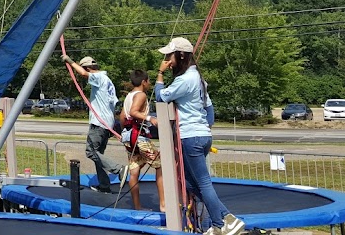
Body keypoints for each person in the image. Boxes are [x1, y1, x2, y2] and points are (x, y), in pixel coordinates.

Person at [155, 37, 245, 235]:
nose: (168, 61)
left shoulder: (185, 79)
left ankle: (221, 224)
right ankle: (226, 217)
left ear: (180, 56)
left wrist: (160, 74)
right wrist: (203, 127)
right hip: (202, 135)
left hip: (191, 137)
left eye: (169, 56)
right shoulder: (199, 79)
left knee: (203, 183)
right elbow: (209, 111)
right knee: (189, 182)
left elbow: (160, 96)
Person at [62, 53, 125, 193]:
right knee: (98, 155)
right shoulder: (108, 81)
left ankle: (119, 169)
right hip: (107, 123)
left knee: (90, 152)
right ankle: (104, 185)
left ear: (89, 68)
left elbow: (84, 74)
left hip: (99, 122)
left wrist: (70, 61)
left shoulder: (99, 77)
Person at [121, 69, 164, 212]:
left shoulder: (129, 96)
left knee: (135, 170)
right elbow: (134, 112)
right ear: (144, 82)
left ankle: (138, 207)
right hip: (139, 137)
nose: (149, 83)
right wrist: (150, 118)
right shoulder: (141, 95)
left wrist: (123, 132)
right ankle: (163, 204)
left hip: (129, 138)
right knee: (160, 166)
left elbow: (122, 116)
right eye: (149, 81)